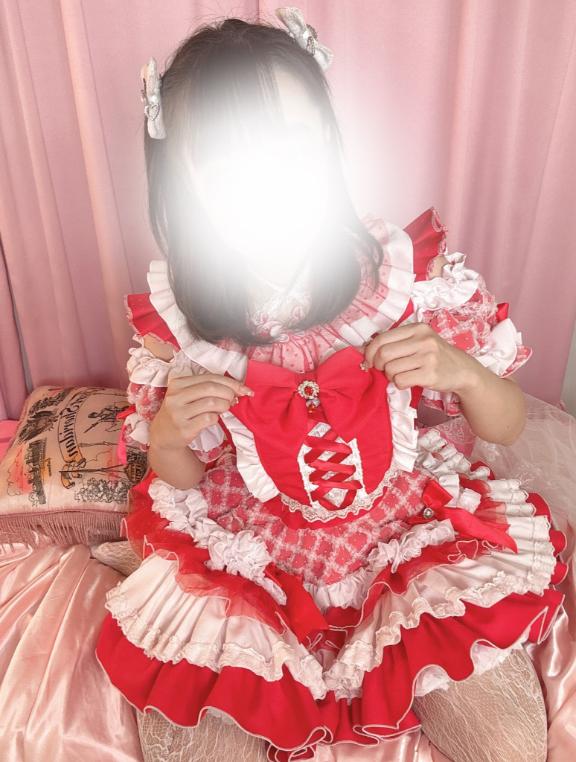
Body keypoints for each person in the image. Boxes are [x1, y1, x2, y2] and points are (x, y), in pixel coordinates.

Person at [95, 8, 568, 762]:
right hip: (255, 550)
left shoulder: (402, 275)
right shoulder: (178, 323)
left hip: (403, 531)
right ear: (182, 178)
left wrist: (462, 371)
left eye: (293, 140)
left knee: (510, 745)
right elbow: (178, 474)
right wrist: (171, 433)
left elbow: (506, 424)